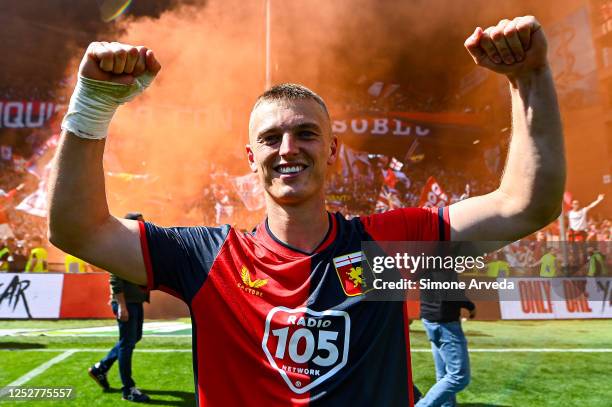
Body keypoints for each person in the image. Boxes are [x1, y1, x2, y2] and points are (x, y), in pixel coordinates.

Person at [48, 16, 565, 406]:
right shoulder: (208, 258)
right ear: (251, 158)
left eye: (307, 133)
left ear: (333, 151)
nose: (288, 147)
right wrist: (93, 103)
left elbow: (525, 204)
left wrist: (529, 78)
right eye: (271, 138)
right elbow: (79, 230)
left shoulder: (387, 245)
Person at [87, 212, 151, 403]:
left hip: (135, 300)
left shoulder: (135, 245)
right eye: (140, 224)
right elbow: (115, 277)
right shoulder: (121, 245)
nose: (144, 227)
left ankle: (101, 368)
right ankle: (128, 389)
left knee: (132, 339)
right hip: (126, 302)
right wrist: (121, 305)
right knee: (127, 343)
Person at [417, 270, 476, 407]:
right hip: (444, 321)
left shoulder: (427, 253)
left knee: (444, 375)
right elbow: (448, 289)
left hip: (431, 316)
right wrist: (469, 305)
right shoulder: (443, 254)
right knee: (459, 376)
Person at [568, 194, 604, 265]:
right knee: (574, 249)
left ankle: (585, 262)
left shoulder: (583, 210)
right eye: (574, 203)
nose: (576, 205)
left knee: (583, 248)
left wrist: (599, 200)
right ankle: (576, 263)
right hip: (573, 233)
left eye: (577, 203)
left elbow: (591, 205)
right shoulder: (570, 213)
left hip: (582, 232)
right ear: (572, 205)